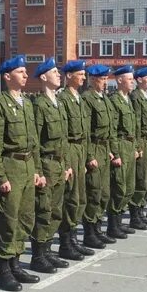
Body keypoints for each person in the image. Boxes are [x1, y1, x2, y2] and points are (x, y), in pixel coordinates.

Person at [0, 55, 43, 290]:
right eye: (20, 72)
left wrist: (37, 170)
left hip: (27, 165)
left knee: (25, 218)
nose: (25, 75)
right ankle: (4, 270)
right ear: (8, 77)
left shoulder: (27, 103)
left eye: (25, 71)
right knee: (7, 221)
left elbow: (34, 142)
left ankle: (16, 264)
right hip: (10, 167)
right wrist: (0, 176)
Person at [30, 58, 71, 274]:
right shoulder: (40, 105)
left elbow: (64, 139)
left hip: (59, 164)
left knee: (56, 211)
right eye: (54, 72)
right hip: (46, 165)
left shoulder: (59, 103)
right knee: (43, 211)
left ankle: (48, 251)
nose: (59, 75)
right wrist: (37, 170)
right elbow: (35, 141)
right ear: (44, 77)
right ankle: (38, 255)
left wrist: (67, 164)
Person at [57, 60, 94, 261]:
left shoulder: (78, 98)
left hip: (80, 149)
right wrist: (67, 162)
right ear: (69, 75)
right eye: (80, 74)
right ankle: (65, 242)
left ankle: (74, 240)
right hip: (70, 148)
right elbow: (62, 133)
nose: (83, 77)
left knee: (80, 197)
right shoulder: (63, 98)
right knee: (70, 198)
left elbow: (86, 131)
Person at [81, 64, 116, 246]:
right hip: (93, 148)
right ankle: (89, 232)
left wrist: (109, 149)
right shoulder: (87, 99)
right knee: (93, 192)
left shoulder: (104, 99)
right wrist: (89, 155)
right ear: (93, 79)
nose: (105, 82)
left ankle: (98, 228)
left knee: (103, 192)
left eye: (106, 79)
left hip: (104, 149)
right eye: (102, 79)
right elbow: (86, 131)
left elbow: (109, 129)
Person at [107, 66, 139, 233]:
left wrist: (134, 146)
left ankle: (119, 221)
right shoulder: (115, 101)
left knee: (128, 186)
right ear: (119, 80)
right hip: (120, 146)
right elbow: (112, 130)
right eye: (129, 79)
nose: (132, 82)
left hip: (129, 145)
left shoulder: (128, 100)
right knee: (118, 187)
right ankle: (113, 224)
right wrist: (116, 153)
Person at [130, 67, 147, 227]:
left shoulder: (146, 97)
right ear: (139, 80)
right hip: (141, 144)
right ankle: (135, 216)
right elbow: (137, 125)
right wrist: (139, 146)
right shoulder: (136, 97)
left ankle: (141, 212)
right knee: (140, 179)